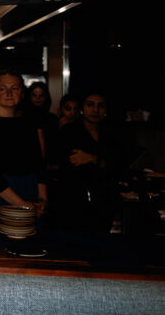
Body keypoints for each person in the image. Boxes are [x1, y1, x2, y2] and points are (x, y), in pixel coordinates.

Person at [0, 72, 47, 230]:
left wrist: (42, 199)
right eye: (3, 89)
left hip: (29, 191)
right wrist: (22, 205)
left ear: (22, 93)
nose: (9, 93)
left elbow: (39, 163)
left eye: (15, 88)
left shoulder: (29, 121)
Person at [54, 92, 125, 232]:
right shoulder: (70, 131)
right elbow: (68, 162)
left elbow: (118, 165)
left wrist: (92, 159)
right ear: (82, 108)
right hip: (74, 200)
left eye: (101, 106)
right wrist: (100, 162)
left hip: (104, 198)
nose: (95, 110)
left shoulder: (112, 133)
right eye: (90, 105)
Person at [24, 81, 59, 161]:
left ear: (46, 97)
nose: (38, 98)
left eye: (41, 95)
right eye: (34, 95)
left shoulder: (53, 118)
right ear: (29, 97)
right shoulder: (23, 117)